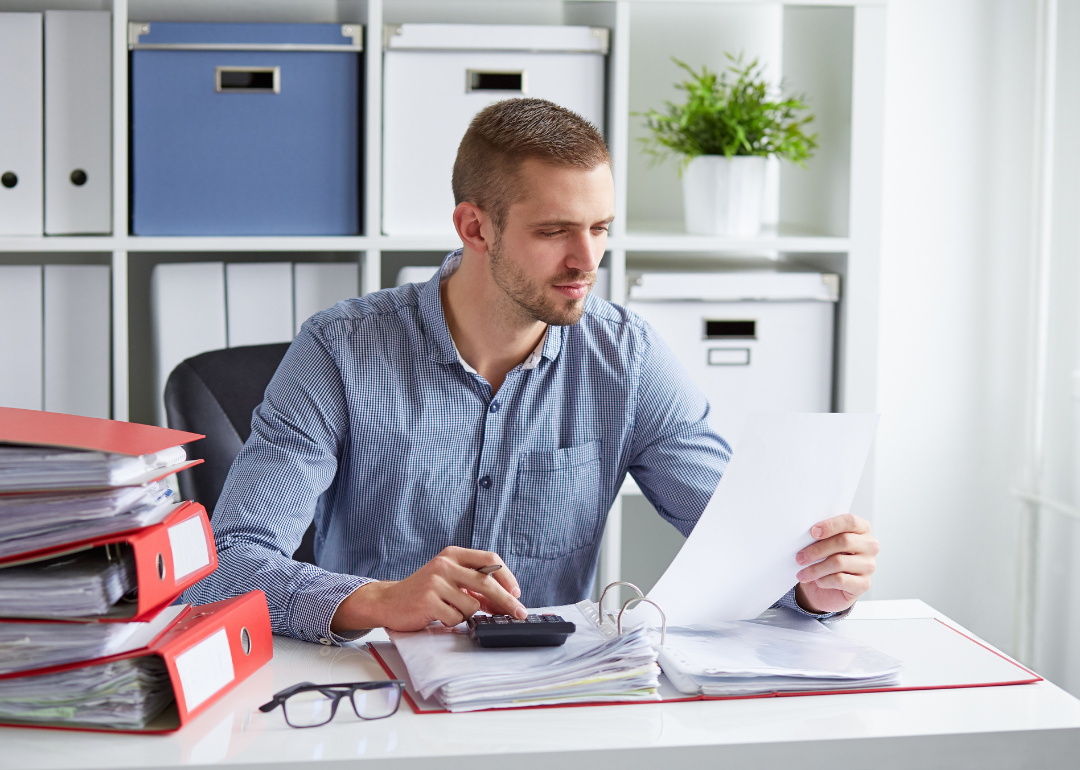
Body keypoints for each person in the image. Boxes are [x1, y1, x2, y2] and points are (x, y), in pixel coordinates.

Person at [183, 98, 878, 644]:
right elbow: (226, 565)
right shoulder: (337, 349)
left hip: (548, 696)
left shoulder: (628, 359)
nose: (587, 259)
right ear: (475, 227)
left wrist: (815, 584)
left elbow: (746, 538)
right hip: (374, 699)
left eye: (601, 228)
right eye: (554, 232)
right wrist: (378, 601)